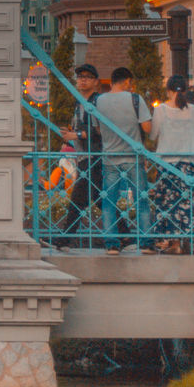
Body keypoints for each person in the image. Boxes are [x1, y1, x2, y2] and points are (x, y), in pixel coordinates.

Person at [95, 66, 152, 254]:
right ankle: (145, 243)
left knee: (109, 202)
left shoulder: (99, 101)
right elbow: (147, 128)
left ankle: (111, 244)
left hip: (110, 157)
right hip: (133, 157)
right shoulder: (135, 99)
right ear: (127, 81)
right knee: (141, 201)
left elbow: (97, 129)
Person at [55, 63, 103, 250]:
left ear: (96, 81)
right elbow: (80, 129)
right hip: (84, 157)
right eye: (80, 77)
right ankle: (126, 237)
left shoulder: (97, 102)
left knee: (78, 198)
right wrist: (70, 134)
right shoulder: (78, 103)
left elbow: (102, 129)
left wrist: (78, 135)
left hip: (94, 156)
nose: (82, 80)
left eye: (87, 77)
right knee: (100, 199)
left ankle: (64, 240)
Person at [148, 75, 194, 253]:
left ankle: (172, 242)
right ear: (185, 90)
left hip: (167, 164)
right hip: (189, 163)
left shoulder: (161, 110)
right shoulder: (193, 110)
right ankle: (188, 239)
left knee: (167, 203)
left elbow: (153, 135)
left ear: (168, 90)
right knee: (187, 203)